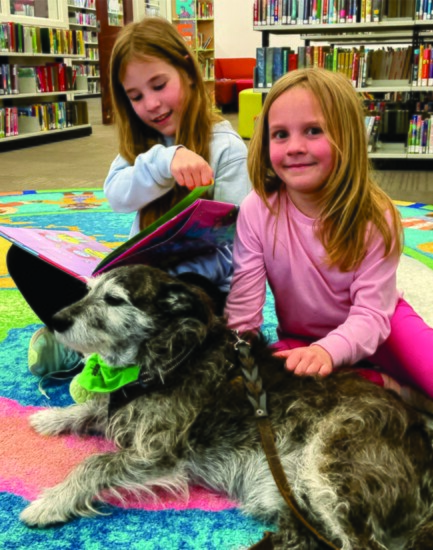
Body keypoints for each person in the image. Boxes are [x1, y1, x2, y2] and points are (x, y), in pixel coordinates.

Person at [7, 17, 250, 390]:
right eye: (135, 96)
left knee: (187, 293)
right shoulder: (140, 148)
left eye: (159, 85)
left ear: (187, 69)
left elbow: (240, 246)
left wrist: (232, 326)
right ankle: (90, 346)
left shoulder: (226, 149)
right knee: (24, 259)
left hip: (184, 299)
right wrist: (165, 161)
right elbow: (119, 196)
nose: (151, 104)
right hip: (129, 292)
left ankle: (91, 350)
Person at [224, 67, 433, 410]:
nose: (294, 147)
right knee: (270, 385)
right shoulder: (256, 209)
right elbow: (245, 305)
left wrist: (329, 351)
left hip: (383, 329)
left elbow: (371, 315)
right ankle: (386, 387)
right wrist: (237, 352)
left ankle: (382, 381)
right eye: (279, 134)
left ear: (347, 136)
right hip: (302, 338)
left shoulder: (374, 216)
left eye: (313, 131)